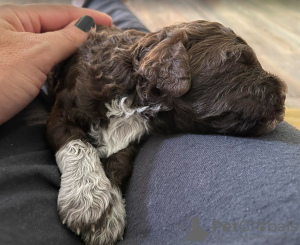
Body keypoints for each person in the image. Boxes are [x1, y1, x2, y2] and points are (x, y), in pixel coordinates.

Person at [0, 1, 299, 245]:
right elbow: (64, 122)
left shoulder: (160, 101)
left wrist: (113, 184)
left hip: (145, 51)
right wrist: (86, 171)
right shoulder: (92, 85)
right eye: (237, 62)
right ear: (171, 71)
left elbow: (128, 141)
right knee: (109, 13)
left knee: (117, 18)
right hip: (117, 52)